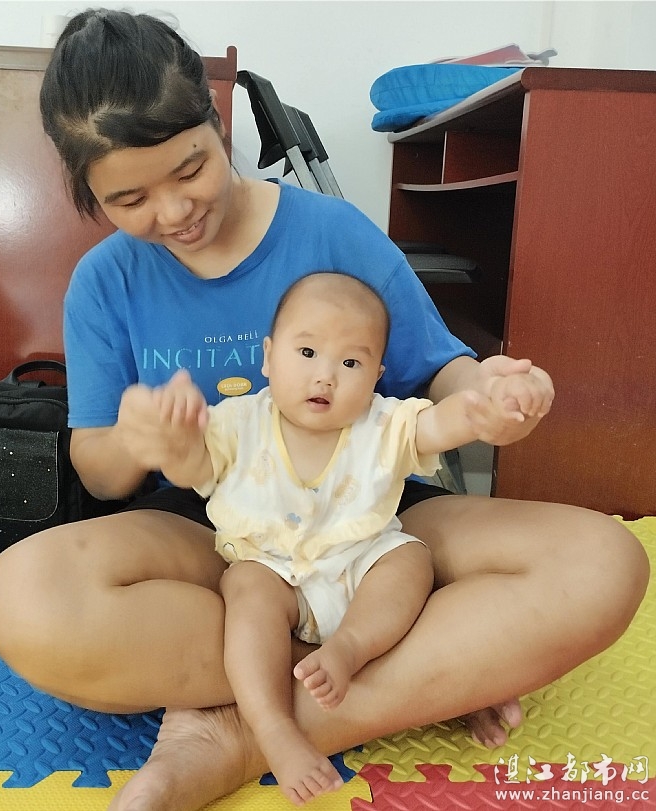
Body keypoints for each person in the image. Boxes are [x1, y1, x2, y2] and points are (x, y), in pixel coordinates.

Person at [0, 9, 648, 811]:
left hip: (368, 512)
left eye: (190, 169)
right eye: (130, 197)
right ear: (89, 192)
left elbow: (441, 372)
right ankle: (421, 670)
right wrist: (139, 438)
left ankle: (238, 732)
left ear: (216, 122)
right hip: (210, 535)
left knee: (603, 562)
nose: (174, 211)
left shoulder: (333, 232)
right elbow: (98, 470)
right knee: (17, 598)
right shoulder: (105, 281)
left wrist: (492, 397)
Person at [142, 270, 552, 804]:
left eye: (351, 363)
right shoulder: (238, 421)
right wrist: (174, 439)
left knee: (410, 561)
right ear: (268, 357)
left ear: (377, 375)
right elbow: (192, 466)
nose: (326, 377)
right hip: (276, 576)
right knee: (244, 588)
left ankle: (350, 651)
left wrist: (488, 405)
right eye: (307, 352)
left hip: (360, 572)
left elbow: (439, 424)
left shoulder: (382, 424)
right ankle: (272, 728)